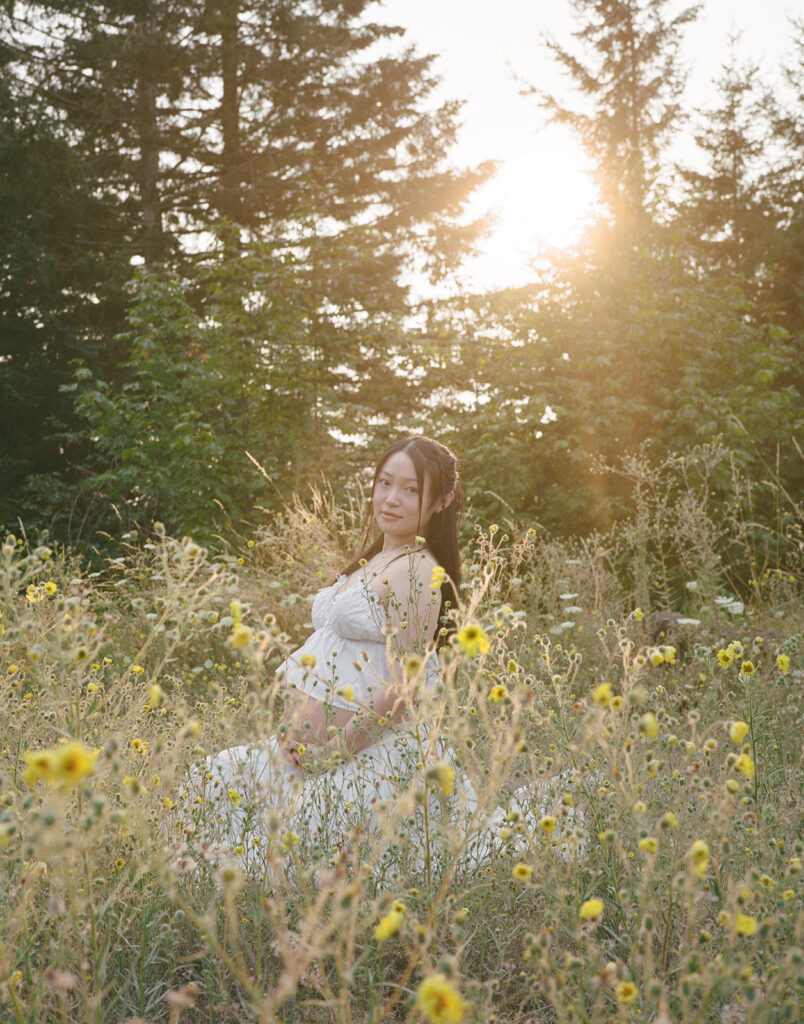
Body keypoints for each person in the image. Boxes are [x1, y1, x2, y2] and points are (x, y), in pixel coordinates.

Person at [186, 436, 583, 874]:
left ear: (442, 501)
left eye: (411, 489)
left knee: (282, 859)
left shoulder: (418, 570)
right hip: (306, 753)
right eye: (384, 483)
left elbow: (404, 686)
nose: (391, 499)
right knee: (215, 787)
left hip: (361, 762)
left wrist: (332, 753)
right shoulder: (379, 557)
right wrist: (292, 731)